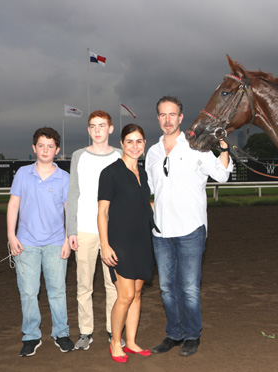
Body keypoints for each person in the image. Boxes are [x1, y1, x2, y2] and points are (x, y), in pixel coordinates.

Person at [146, 96, 233, 357]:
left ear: (181, 118)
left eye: (172, 114)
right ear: (158, 118)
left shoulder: (197, 147)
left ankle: (192, 335)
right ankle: (174, 333)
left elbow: (222, 175)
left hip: (191, 229)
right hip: (161, 232)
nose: (168, 119)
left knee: (189, 288)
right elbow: (150, 189)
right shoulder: (152, 152)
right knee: (166, 288)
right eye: (163, 115)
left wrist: (224, 149)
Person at [7, 127, 74, 356]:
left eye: (51, 146)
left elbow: (68, 212)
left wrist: (67, 241)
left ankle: (61, 333)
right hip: (26, 243)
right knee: (28, 292)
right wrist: (11, 236)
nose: (46, 150)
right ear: (34, 148)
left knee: (57, 291)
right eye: (41, 145)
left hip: (56, 242)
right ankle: (31, 335)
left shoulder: (64, 178)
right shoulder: (23, 174)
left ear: (57, 150)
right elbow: (13, 206)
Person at [98, 124, 155, 363]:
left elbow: (146, 206)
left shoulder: (145, 173)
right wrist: (105, 245)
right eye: (129, 141)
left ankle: (131, 342)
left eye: (139, 141)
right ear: (122, 143)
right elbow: (102, 212)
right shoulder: (110, 172)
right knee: (125, 295)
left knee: (138, 293)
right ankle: (115, 342)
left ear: (144, 144)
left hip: (143, 240)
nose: (134, 146)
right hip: (120, 241)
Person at [66, 110, 122, 350]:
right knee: (84, 286)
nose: (97, 129)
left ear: (110, 129)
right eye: (92, 126)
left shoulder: (120, 155)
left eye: (102, 125)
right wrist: (71, 231)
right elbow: (73, 194)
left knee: (114, 285)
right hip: (85, 231)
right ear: (88, 130)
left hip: (113, 233)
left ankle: (113, 330)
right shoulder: (79, 156)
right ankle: (85, 332)